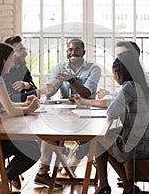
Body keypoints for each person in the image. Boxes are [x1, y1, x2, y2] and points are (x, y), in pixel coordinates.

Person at [91, 49, 149, 194]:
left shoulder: (129, 87)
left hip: (141, 148)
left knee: (98, 139)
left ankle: (107, 185)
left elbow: (112, 112)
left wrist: (114, 98)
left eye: (114, 75)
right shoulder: (145, 86)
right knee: (106, 137)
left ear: (119, 74)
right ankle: (122, 185)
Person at [0, 43, 41, 194]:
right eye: (11, 58)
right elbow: (10, 110)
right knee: (33, 152)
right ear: (4, 60)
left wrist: (25, 104)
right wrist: (29, 108)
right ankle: (0, 185)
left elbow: (5, 107)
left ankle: (1, 184)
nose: (13, 62)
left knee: (31, 147)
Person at [34, 38, 101, 188]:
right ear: (67, 52)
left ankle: (70, 158)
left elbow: (87, 93)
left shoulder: (93, 68)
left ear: (83, 52)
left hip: (86, 112)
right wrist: (55, 84)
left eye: (77, 50)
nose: (73, 53)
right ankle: (43, 173)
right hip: (64, 113)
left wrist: (71, 80)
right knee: (48, 131)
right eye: (70, 50)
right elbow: (50, 93)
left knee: (92, 139)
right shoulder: (59, 67)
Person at [3, 36, 37, 102]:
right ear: (10, 53)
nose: (26, 54)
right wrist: (38, 92)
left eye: (24, 49)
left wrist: (28, 85)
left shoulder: (23, 68)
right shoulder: (5, 71)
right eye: (21, 50)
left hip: (20, 109)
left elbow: (34, 89)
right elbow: (11, 98)